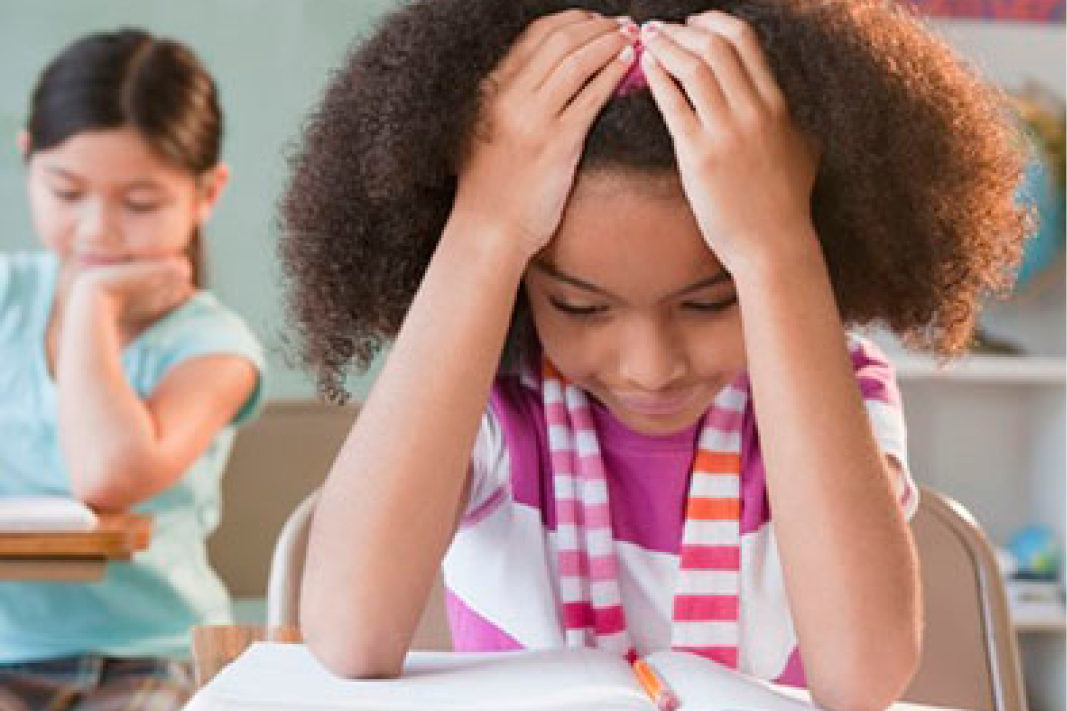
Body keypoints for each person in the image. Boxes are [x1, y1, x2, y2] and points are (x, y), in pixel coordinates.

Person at [280, 0, 1029, 708]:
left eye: (709, 301)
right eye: (579, 305)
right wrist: (483, 225)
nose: (650, 366)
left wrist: (775, 243)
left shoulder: (836, 392)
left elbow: (862, 676)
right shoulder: (484, 399)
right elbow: (349, 632)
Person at [0, 28, 266, 710]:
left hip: (153, 652)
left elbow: (105, 475)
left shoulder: (213, 346)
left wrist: (92, 299)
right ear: (28, 159)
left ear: (206, 193)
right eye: (66, 192)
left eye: (139, 204)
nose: (98, 230)